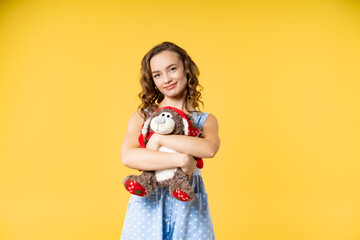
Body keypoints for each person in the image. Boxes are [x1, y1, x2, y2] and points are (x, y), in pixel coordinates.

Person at [120, 41, 220, 240]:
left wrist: (158, 139)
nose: (166, 79)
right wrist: (182, 160)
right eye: (157, 74)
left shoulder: (204, 120)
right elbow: (128, 156)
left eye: (172, 69)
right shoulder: (143, 117)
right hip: (147, 204)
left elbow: (208, 148)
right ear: (153, 81)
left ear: (186, 69)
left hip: (187, 202)